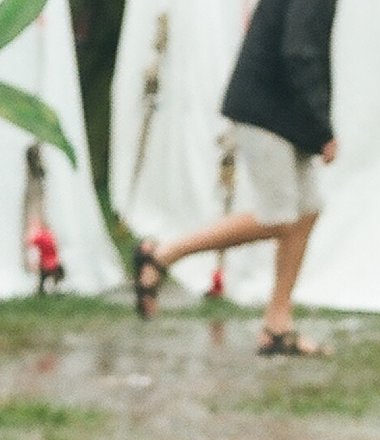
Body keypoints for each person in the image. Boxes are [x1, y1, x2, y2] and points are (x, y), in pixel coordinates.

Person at [130, 0, 336, 358]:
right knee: (280, 217)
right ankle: (163, 255)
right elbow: (300, 51)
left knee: (308, 210)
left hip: (286, 113)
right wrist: (323, 129)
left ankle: (277, 326)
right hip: (265, 110)